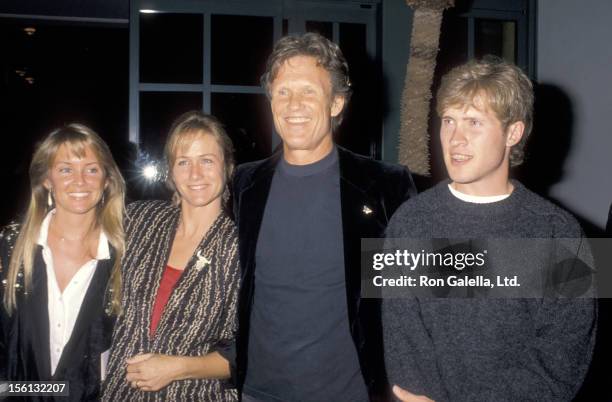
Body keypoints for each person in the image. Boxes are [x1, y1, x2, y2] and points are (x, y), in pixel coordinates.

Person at [383, 57, 597, 402]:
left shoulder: (561, 234)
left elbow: (561, 360)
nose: (455, 138)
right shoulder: (408, 222)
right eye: (448, 121)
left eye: (474, 122)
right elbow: (401, 338)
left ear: (513, 132)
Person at [232, 32, 416, 402]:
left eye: (308, 91)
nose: (293, 104)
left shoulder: (382, 186)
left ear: (336, 102)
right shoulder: (246, 183)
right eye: (282, 92)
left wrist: (559, 269)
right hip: (257, 394)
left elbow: (424, 286)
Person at [102, 111, 239, 401]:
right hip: (119, 391)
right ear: (170, 172)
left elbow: (249, 351)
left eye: (207, 160)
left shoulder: (241, 247)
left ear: (226, 167)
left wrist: (178, 368)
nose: (195, 174)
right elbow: (81, 227)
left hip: (196, 394)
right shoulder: (141, 220)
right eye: (183, 162)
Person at [0, 124, 126, 401]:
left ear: (106, 179)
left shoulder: (126, 255)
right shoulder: (10, 248)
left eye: (92, 169)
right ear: (46, 179)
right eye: (66, 169)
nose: (80, 181)